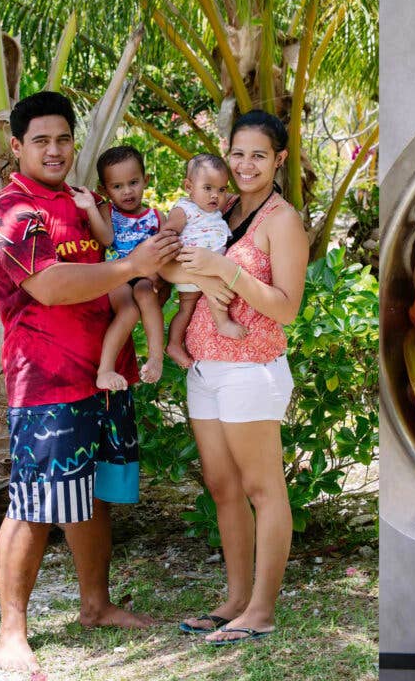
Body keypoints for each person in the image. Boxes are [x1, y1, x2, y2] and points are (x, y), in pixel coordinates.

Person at [0, 91, 181, 672]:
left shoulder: (84, 202)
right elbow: (53, 285)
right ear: (16, 147)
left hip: (103, 375)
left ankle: (96, 605)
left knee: (90, 493)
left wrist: (155, 275)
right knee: (34, 503)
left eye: (64, 139)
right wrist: (132, 266)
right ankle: (12, 633)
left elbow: (126, 264)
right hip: (46, 383)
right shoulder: (12, 214)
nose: (54, 150)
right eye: (40, 141)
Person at [172, 110, 309, 645]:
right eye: (238, 154)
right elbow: (176, 264)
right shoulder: (216, 206)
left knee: (261, 488)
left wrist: (225, 270)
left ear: (278, 159)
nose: (246, 164)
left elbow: (287, 306)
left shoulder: (282, 220)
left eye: (258, 155)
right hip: (205, 367)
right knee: (223, 486)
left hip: (251, 367)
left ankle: (262, 609)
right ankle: (233, 600)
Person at [74, 145, 167, 388]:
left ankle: (156, 357)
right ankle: (105, 370)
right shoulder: (108, 210)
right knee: (129, 310)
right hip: (116, 275)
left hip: (146, 276)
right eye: (117, 186)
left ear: (145, 180)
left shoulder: (156, 217)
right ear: (104, 190)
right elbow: (105, 238)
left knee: (146, 295)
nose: (127, 191)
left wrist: (161, 276)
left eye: (133, 182)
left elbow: (168, 249)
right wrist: (91, 209)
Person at [161, 153, 246, 371]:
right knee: (209, 294)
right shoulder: (185, 209)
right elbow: (168, 233)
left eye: (221, 190)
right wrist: (177, 251)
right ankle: (222, 324)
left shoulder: (214, 211)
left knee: (186, 309)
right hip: (191, 266)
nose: (215, 196)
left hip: (204, 266)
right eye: (207, 188)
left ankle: (173, 344)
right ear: (189, 186)